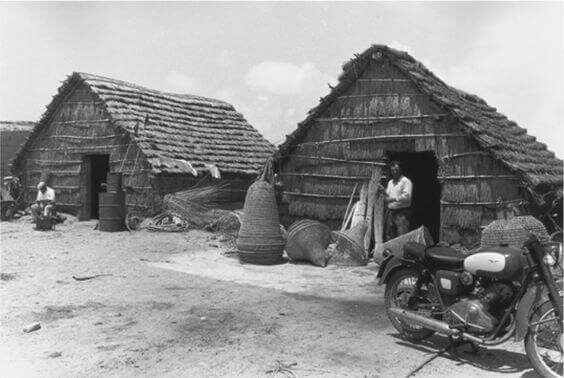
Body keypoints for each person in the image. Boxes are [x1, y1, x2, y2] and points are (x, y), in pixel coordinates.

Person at [384, 161, 413, 241]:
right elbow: (387, 195)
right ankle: (390, 253)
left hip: (402, 214)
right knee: (389, 235)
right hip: (391, 213)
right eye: (392, 170)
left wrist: (393, 199)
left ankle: (401, 253)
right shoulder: (390, 182)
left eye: (396, 170)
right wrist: (383, 193)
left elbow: (407, 196)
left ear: (401, 169)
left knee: (401, 236)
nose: (394, 172)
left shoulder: (406, 181)